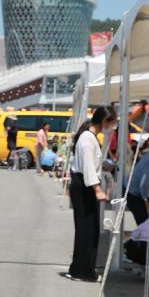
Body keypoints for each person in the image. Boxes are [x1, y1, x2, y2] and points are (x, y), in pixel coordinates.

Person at [64, 106, 117, 281]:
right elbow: (87, 168)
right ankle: (81, 270)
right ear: (104, 121)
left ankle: (83, 269)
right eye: (112, 123)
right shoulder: (87, 139)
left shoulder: (89, 137)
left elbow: (90, 165)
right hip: (84, 186)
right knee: (86, 230)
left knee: (90, 229)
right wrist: (98, 190)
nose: (113, 127)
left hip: (84, 184)